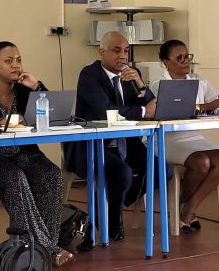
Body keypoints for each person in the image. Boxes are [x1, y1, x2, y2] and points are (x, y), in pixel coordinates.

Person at [0, 41, 73, 267]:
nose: (16, 65)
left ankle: (39, 252)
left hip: (21, 153)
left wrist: (37, 86)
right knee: (15, 178)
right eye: (8, 61)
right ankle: (47, 249)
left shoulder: (24, 91)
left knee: (51, 175)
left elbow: (54, 113)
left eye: (18, 60)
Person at [64, 31, 157, 241]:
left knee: (161, 169)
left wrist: (140, 84)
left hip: (125, 143)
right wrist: (143, 112)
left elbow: (153, 105)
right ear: (102, 52)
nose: (122, 56)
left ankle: (114, 203)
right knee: (122, 173)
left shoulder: (130, 75)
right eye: (116, 50)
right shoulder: (89, 75)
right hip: (91, 144)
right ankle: (112, 218)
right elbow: (105, 111)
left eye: (126, 51)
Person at [151, 40, 219, 232]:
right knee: (201, 162)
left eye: (187, 56)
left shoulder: (199, 81)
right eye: (179, 58)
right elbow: (175, 110)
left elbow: (216, 104)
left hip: (193, 137)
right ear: (165, 62)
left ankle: (188, 207)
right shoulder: (159, 84)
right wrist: (207, 106)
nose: (185, 60)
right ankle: (184, 210)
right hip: (166, 139)